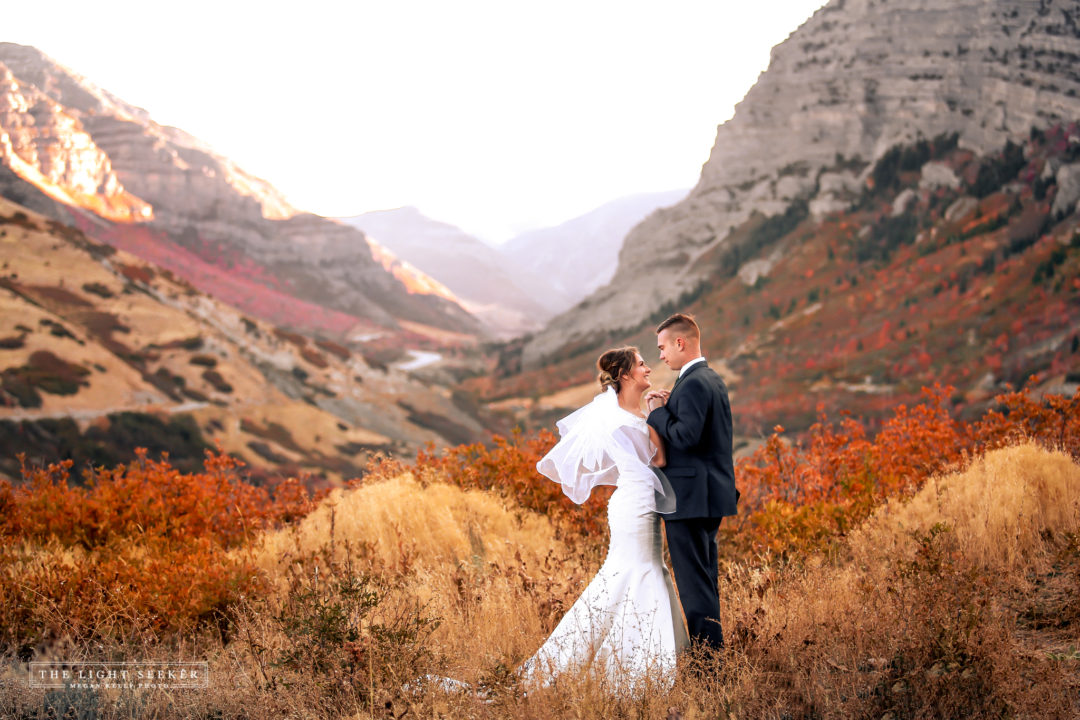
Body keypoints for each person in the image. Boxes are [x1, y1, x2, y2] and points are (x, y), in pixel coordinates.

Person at [522, 346, 689, 690]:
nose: (648, 368)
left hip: (638, 500)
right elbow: (657, 459)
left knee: (634, 571)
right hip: (636, 504)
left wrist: (652, 412)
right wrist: (657, 412)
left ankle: (648, 659)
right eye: (642, 364)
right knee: (638, 571)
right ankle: (636, 668)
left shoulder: (630, 413)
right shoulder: (618, 418)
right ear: (626, 374)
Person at [645, 313, 738, 652]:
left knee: (694, 586)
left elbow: (686, 436)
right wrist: (673, 407)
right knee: (704, 580)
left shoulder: (695, 383)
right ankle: (713, 658)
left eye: (662, 347)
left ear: (680, 343)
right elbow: (699, 434)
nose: (660, 355)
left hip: (690, 500)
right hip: (708, 496)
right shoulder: (709, 379)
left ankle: (710, 668)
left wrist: (657, 412)